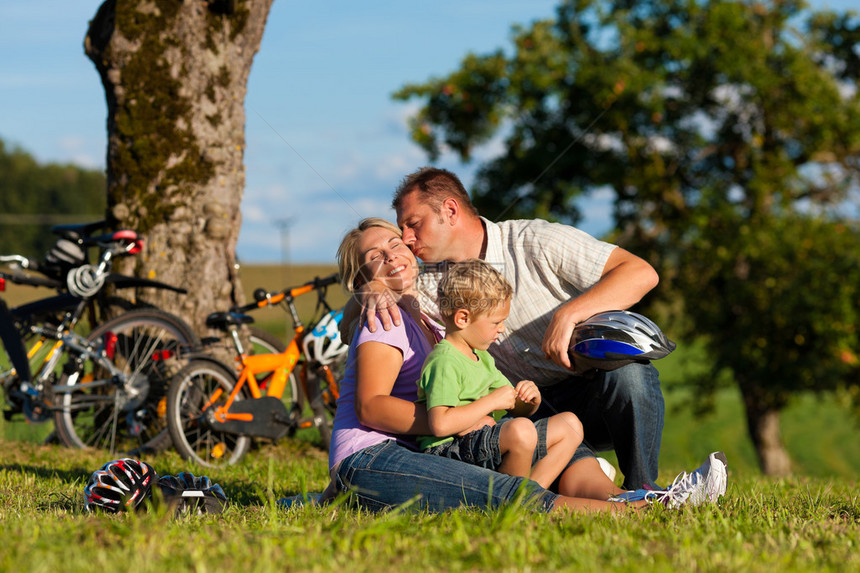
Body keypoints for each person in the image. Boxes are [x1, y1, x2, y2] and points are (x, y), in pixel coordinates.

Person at [322, 216, 727, 513]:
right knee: (501, 492)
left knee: (548, 442)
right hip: (374, 455)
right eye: (375, 256)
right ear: (364, 274)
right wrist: (366, 294)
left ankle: (638, 494)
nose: (393, 253)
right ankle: (638, 511)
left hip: (428, 446)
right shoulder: (383, 314)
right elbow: (371, 407)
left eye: (396, 242)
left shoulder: (430, 310)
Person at [346, 166, 666, 491]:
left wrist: (569, 314)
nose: (408, 239)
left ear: (450, 210)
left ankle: (645, 490)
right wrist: (370, 289)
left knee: (629, 375)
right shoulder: (427, 284)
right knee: (572, 475)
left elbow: (641, 273)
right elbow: (350, 320)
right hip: (514, 413)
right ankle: (578, 492)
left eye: (413, 225)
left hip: (593, 398)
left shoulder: (535, 241)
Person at [418, 259, 583, 491]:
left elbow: (515, 408)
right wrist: (490, 403)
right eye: (497, 322)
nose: (502, 328)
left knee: (570, 424)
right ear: (463, 319)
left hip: (482, 440)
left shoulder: (482, 357)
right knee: (521, 431)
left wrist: (529, 400)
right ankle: (511, 499)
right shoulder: (444, 361)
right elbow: (440, 424)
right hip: (449, 451)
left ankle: (531, 496)